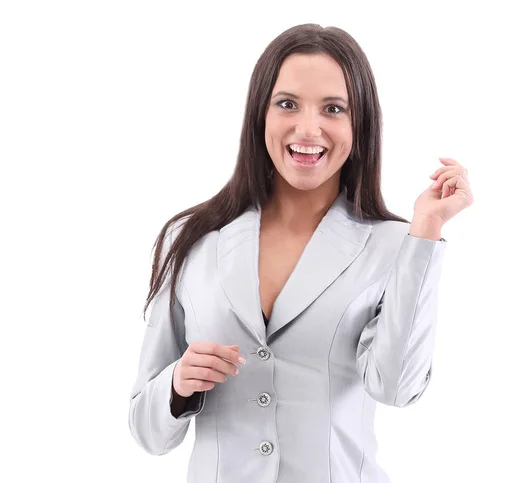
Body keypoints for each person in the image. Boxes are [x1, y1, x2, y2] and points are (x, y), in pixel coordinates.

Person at [128, 23, 473, 483]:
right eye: (287, 104)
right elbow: (147, 433)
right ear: (260, 115)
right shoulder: (190, 239)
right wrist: (176, 385)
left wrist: (426, 233)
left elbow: (396, 388)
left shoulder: (395, 247)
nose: (308, 128)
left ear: (359, 126)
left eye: (333, 108)